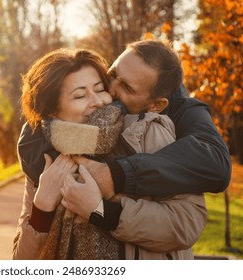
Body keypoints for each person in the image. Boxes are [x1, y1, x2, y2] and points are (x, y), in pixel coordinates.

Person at [13, 46, 207, 260]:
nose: (101, 99)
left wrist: (100, 211)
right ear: (53, 110)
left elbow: (185, 224)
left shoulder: (146, 131)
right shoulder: (45, 157)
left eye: (99, 88)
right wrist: (42, 206)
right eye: (80, 95)